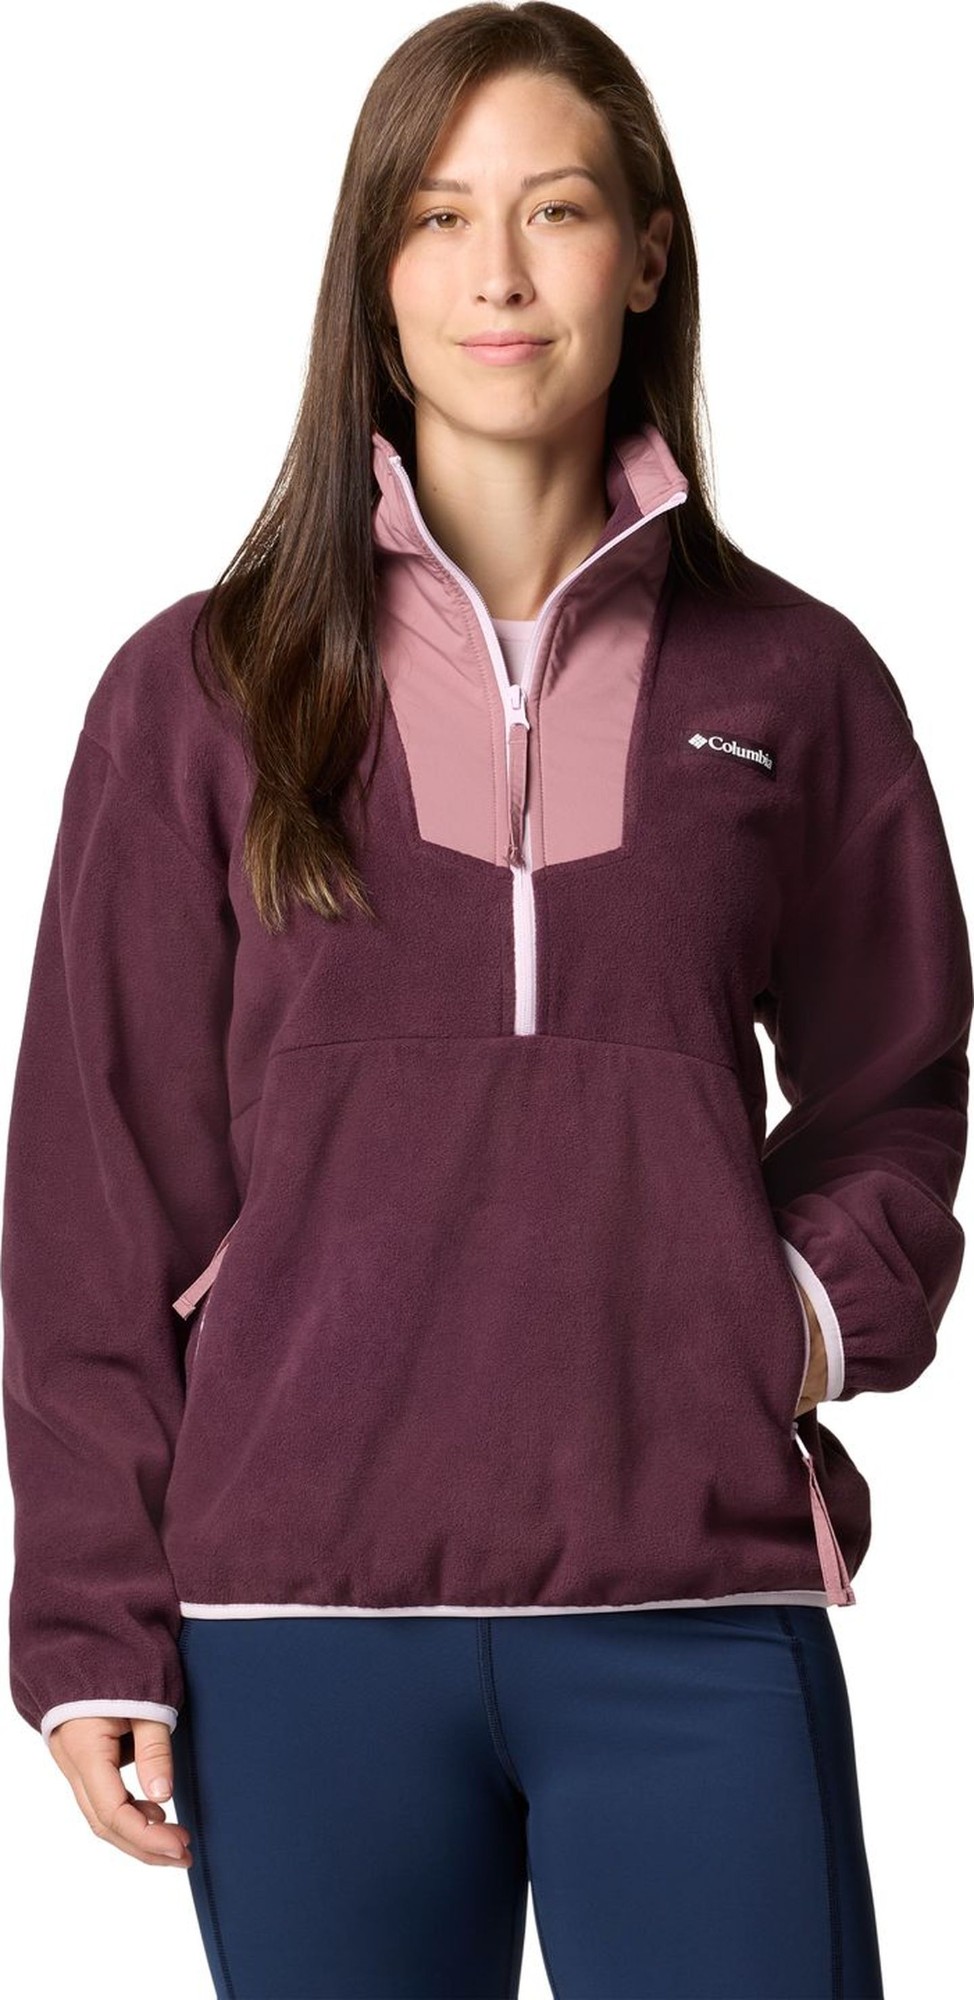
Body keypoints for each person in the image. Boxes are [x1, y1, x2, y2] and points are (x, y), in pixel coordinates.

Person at [2, 4, 970, 1995]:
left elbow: (900, 1077)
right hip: (297, 1629)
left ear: (646, 254)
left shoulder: (795, 682)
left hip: (691, 1603)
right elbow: (94, 1187)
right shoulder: (197, 691)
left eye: (556, 210)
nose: (498, 274)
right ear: (374, 273)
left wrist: (792, 1314)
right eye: (438, 217)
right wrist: (92, 1621)